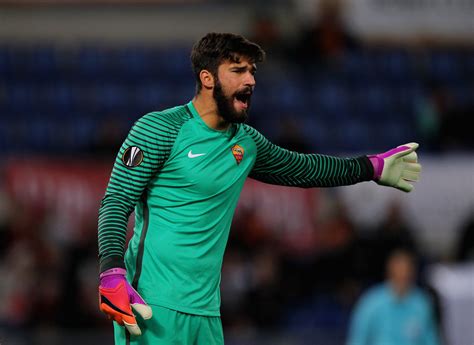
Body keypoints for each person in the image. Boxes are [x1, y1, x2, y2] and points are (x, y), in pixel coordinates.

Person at [97, 32, 421, 345]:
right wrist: (111, 272)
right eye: (238, 71)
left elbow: (304, 168)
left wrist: (371, 167)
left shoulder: (246, 142)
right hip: (152, 306)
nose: (250, 80)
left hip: (207, 313)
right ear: (208, 78)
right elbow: (116, 201)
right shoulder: (160, 129)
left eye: (252, 72)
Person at [347, 249, 440, 345]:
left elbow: (431, 339)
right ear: (390, 272)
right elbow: (358, 339)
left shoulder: (422, 303)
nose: (403, 277)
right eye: (399, 273)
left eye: (407, 273)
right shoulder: (371, 302)